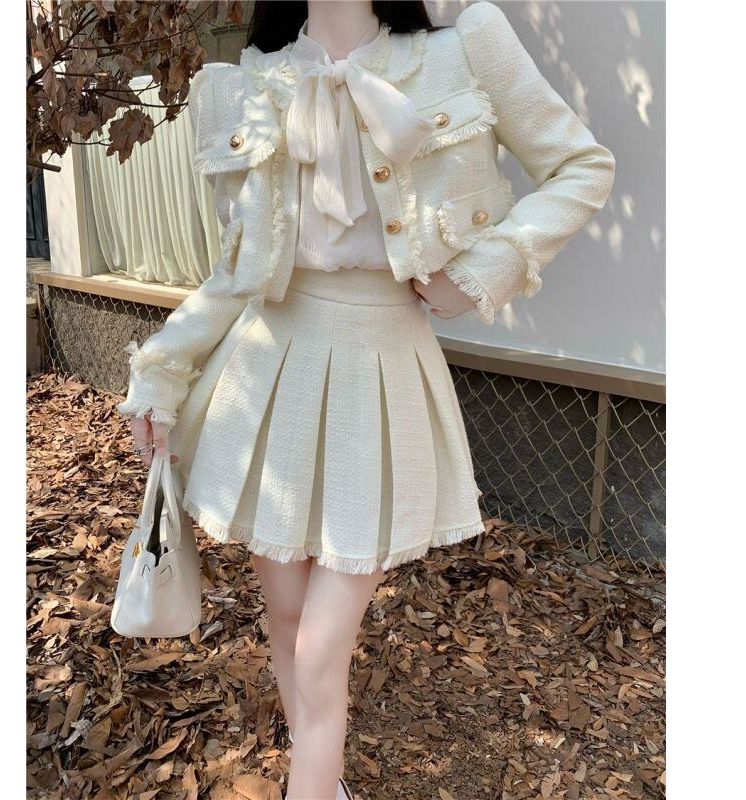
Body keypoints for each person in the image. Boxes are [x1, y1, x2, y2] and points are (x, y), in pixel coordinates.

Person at [118, 2, 616, 797]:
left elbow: (582, 167)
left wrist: (482, 270)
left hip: (381, 368)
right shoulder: (251, 79)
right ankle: (325, 782)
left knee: (321, 645)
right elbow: (237, 271)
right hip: (269, 369)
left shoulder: (465, 48)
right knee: (287, 617)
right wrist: (160, 374)